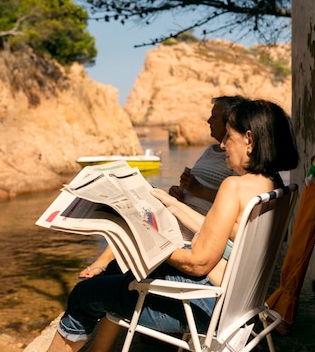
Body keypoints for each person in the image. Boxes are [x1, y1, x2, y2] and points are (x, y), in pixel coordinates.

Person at [2, 98, 298, 352]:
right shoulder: (271, 185)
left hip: (203, 308)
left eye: (228, 137)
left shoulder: (233, 187)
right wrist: (173, 205)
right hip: (239, 309)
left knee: (86, 293)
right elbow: (230, 232)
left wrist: (141, 239)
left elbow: (197, 263)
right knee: (119, 276)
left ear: (249, 140)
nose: (222, 145)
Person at [78, 95, 244, 278]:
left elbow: (235, 203)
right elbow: (195, 187)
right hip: (182, 209)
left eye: (214, 117)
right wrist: (181, 193)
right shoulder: (209, 152)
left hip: (196, 224)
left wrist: (198, 190)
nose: (209, 121)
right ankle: (105, 261)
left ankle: (105, 265)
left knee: (137, 217)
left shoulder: (235, 158)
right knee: (132, 203)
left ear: (229, 123)